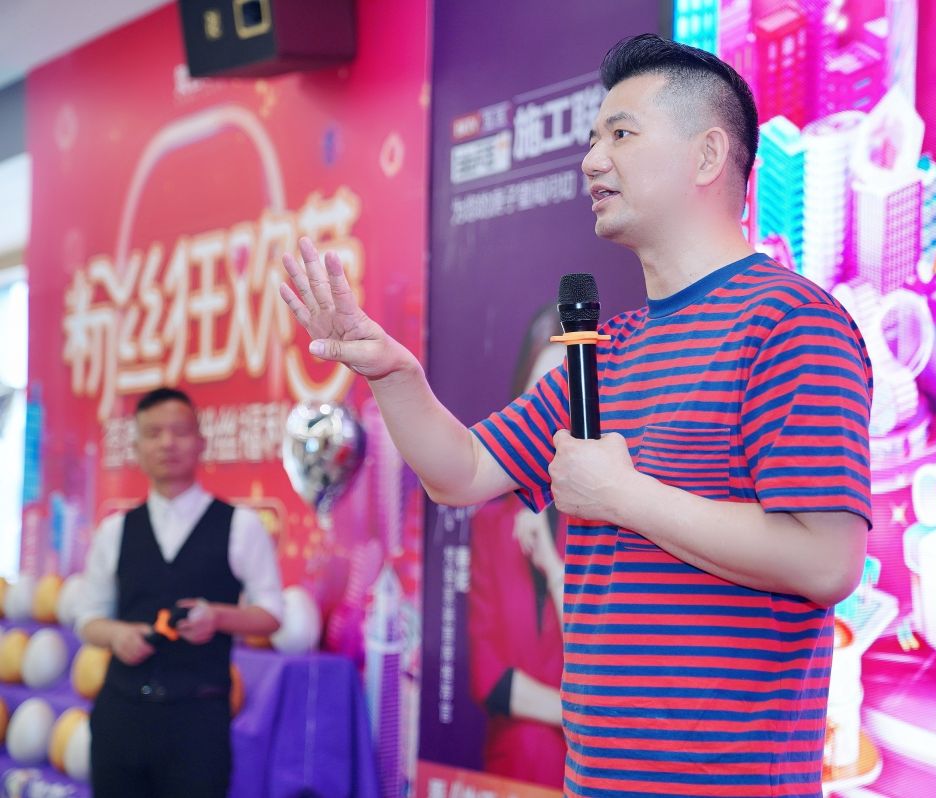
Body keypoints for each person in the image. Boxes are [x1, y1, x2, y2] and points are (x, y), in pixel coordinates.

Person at [281, 33, 872, 798]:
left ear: (706, 156)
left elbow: (826, 561)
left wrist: (623, 496)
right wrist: (395, 374)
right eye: (593, 139)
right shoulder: (605, 349)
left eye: (620, 134)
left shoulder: (792, 323)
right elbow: (461, 473)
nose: (592, 161)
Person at [76, 387, 284, 798]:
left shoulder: (241, 525)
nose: (167, 443)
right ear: (136, 448)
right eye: (153, 433)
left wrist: (218, 617)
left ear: (201, 442)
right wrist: (116, 635)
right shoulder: (114, 530)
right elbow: (87, 618)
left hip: (198, 721)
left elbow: (272, 614)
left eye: (180, 431)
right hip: (121, 716)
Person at [467, 304, 568, 788]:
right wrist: (575, 712)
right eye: (539, 395)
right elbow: (486, 675)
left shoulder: (611, 517)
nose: (553, 414)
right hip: (513, 770)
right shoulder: (491, 524)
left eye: (567, 392)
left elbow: (607, 648)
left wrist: (552, 564)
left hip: (591, 769)